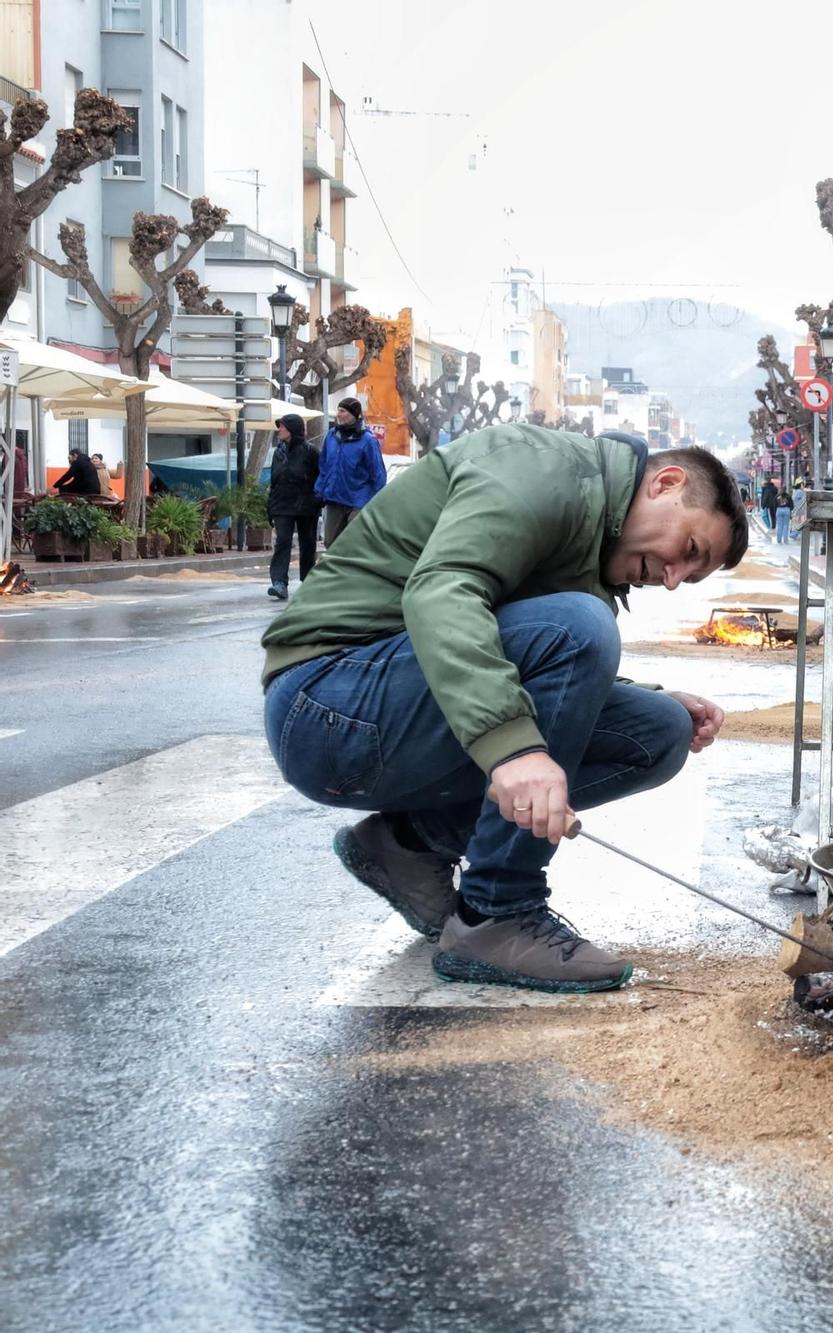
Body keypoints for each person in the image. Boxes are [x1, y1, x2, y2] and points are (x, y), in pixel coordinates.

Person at [263, 426, 749, 992]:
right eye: (688, 552)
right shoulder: (542, 472)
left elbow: (538, 665)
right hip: (326, 704)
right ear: (667, 483)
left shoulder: (590, 537)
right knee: (582, 628)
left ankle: (410, 844)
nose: (672, 580)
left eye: (690, 577)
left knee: (656, 730)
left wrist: (647, 694)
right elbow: (443, 592)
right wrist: (512, 749)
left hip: (383, 703)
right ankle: (498, 912)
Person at [315, 397, 387, 546]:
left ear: (354, 414)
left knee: (353, 542)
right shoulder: (331, 436)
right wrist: (319, 491)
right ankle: (337, 569)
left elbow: (378, 473)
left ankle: (355, 568)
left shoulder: (368, 441)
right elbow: (324, 466)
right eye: (338, 411)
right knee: (330, 542)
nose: (338, 414)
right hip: (335, 498)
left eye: (343, 411)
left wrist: (375, 501)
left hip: (358, 500)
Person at [265, 413, 320, 602]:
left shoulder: (311, 452)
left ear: (293, 430)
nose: (279, 429)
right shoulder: (278, 453)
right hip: (282, 504)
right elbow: (274, 479)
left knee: (308, 542)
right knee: (282, 541)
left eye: (283, 426)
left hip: (306, 504)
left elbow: (320, 477)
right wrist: (270, 506)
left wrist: (317, 500)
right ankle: (279, 582)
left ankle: (307, 581)